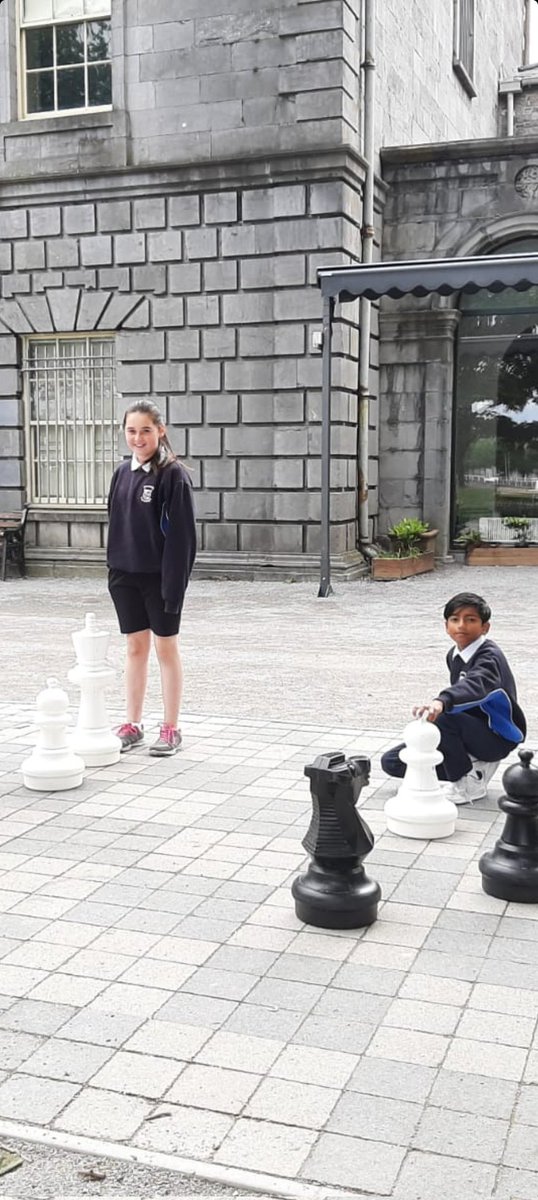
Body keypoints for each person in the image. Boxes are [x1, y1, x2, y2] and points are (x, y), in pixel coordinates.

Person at [107, 399, 196, 757]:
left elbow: (183, 540)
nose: (138, 437)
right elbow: (116, 523)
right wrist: (113, 569)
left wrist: (174, 587)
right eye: (131, 430)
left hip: (160, 579)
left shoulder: (173, 476)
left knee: (165, 648)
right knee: (134, 647)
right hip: (124, 576)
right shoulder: (121, 473)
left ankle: (171, 727)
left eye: (146, 430)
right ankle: (133, 724)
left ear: (161, 431)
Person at [381, 591, 526, 805]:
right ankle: (470, 766)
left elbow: (476, 684)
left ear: (485, 627)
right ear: (446, 625)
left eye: (471, 620)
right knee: (393, 761)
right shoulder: (454, 655)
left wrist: (441, 701)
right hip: (467, 729)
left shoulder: (489, 657)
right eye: (455, 619)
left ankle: (468, 783)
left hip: (495, 736)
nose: (461, 626)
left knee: (442, 718)